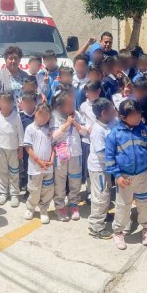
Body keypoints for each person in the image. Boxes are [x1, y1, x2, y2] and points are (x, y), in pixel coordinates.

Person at [105, 99, 147, 250]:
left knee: (144, 203)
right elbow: (109, 158)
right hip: (124, 177)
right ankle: (118, 232)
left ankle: (146, 229)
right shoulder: (114, 135)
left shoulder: (145, 131)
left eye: (138, 114)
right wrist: (117, 176)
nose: (137, 117)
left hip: (142, 176)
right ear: (123, 117)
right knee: (123, 205)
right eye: (133, 115)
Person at [50, 92, 88, 221]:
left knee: (75, 180)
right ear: (61, 106)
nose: (72, 106)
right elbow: (53, 136)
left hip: (75, 153)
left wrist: (75, 123)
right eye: (69, 104)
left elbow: (85, 132)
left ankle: (73, 204)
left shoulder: (76, 114)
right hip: (61, 155)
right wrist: (66, 124)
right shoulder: (54, 115)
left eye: (73, 103)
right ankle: (60, 206)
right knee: (60, 181)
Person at [86, 98, 116, 240]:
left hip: (105, 168)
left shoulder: (106, 125)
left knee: (105, 193)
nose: (114, 111)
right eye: (112, 109)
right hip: (99, 168)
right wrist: (117, 159)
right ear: (104, 113)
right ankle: (96, 226)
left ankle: (103, 214)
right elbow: (101, 153)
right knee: (101, 196)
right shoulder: (98, 131)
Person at [23, 103, 55, 225]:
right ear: (35, 113)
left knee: (47, 190)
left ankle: (43, 210)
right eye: (41, 115)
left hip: (48, 167)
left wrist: (51, 160)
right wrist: (38, 161)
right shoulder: (30, 128)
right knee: (34, 189)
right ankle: (30, 208)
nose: (43, 118)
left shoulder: (50, 130)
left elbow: (53, 147)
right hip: (35, 167)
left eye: (46, 116)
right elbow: (28, 147)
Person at [0, 92, 24, 207]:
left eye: (8, 102)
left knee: (14, 172)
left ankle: (14, 194)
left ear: (12, 104)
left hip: (13, 149)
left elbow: (20, 134)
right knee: (3, 172)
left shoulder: (16, 116)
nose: (5, 105)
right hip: (1, 149)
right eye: (3, 102)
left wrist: (20, 149)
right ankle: (3, 192)